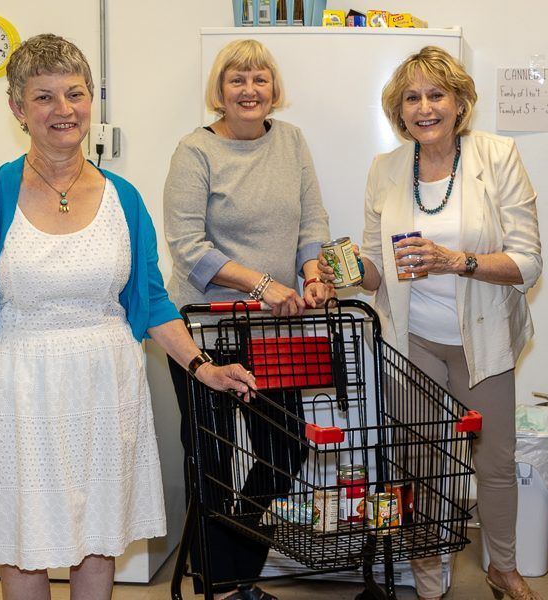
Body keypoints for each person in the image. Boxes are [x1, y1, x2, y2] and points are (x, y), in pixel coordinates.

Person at [0, 33, 255, 599]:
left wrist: (203, 367)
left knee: (99, 535)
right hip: (17, 391)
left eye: (75, 93)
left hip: (105, 388)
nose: (63, 110)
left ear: (91, 101)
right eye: (43, 97)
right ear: (17, 108)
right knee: (23, 540)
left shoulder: (124, 198)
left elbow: (151, 302)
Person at [319, 46, 543, 600]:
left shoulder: (498, 156)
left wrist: (455, 261)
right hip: (411, 339)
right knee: (419, 460)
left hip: (482, 337)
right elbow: (375, 271)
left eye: (436, 95)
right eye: (412, 98)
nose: (425, 108)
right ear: (399, 111)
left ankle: (503, 568)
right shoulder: (386, 169)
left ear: (460, 102)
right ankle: (428, 571)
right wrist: (343, 271)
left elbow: (529, 263)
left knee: (493, 460)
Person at [162, 39, 333, 600]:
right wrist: (263, 284)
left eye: (259, 79)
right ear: (220, 90)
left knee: (283, 450)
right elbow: (188, 247)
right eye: (237, 79)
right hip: (205, 328)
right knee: (210, 457)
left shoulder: (291, 141)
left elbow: (312, 222)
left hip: (274, 329)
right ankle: (225, 586)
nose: (249, 90)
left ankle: (231, 567)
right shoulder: (195, 151)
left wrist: (311, 273)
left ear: (273, 89)